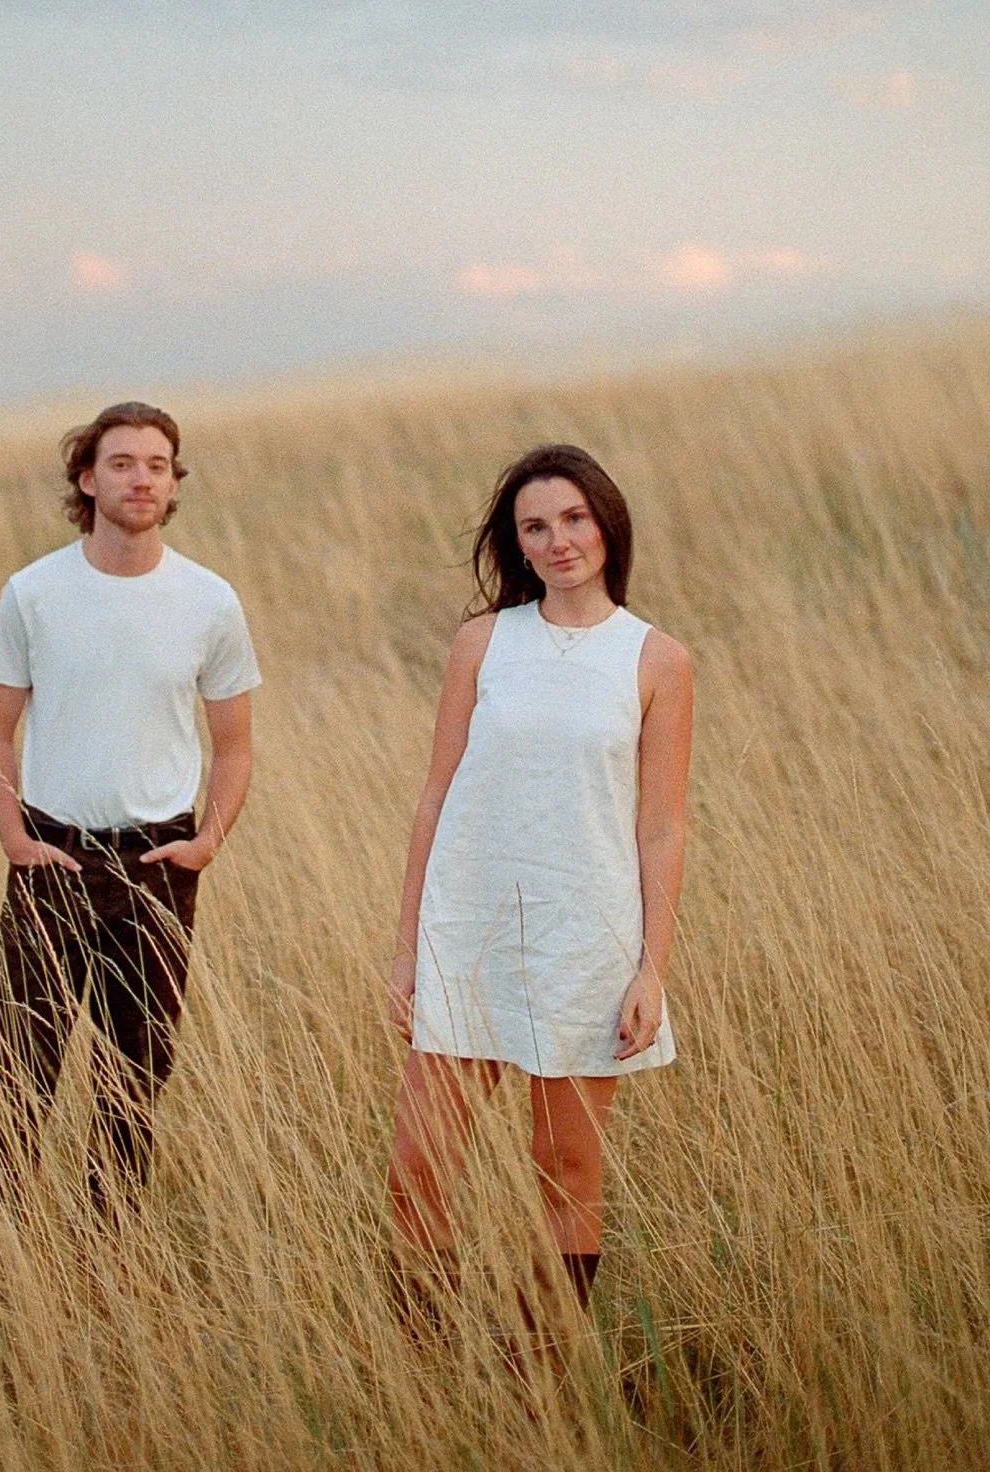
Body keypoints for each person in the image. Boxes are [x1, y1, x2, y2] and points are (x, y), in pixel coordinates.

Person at [386, 443, 692, 1324]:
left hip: (585, 943)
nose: (558, 541)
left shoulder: (657, 660)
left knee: (565, 1173)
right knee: (417, 1169)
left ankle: (541, 1379)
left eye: (573, 519)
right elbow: (435, 795)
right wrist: (409, 952)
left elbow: (662, 826)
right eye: (535, 526)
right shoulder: (483, 644)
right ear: (516, 543)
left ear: (606, 525)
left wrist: (650, 970)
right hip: (469, 936)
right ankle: (429, 1374)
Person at [0, 400, 260, 1214]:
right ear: (87, 478)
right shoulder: (34, 593)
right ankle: (2, 1258)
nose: (142, 478)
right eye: (124, 462)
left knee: (134, 1081)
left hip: (159, 862)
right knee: (19, 1074)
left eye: (159, 465)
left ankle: (111, 1267)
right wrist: (13, 839)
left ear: (174, 486)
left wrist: (206, 842)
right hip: (52, 854)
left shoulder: (209, 602)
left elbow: (234, 746)